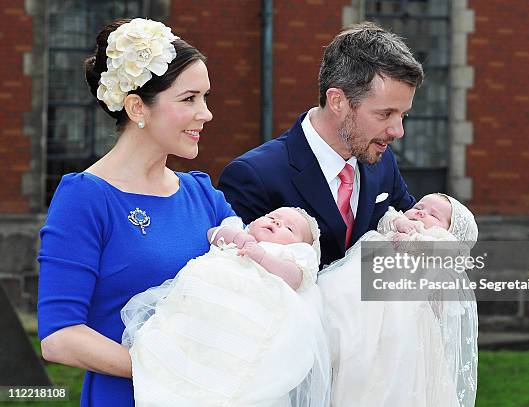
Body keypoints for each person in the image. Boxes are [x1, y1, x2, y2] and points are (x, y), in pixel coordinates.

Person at [37, 18, 235, 406]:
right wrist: (165, 368)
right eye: (189, 99)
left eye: (206, 97)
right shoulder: (86, 198)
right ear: (136, 107)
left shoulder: (203, 194)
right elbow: (59, 337)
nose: (206, 113)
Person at [218, 22, 424, 268]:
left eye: (403, 115)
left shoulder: (384, 160)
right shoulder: (252, 176)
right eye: (385, 114)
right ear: (337, 101)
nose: (398, 131)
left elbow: (418, 240)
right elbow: (236, 283)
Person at [121, 207, 330, 406]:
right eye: (272, 216)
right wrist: (236, 237)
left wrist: (262, 256)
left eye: (289, 228)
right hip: (203, 311)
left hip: (248, 321)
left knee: (234, 370)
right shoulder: (239, 233)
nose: (276, 222)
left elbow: (294, 278)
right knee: (182, 355)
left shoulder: (288, 254)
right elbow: (212, 233)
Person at [318, 193, 479, 406]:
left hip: (398, 312)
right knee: (336, 302)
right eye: (420, 206)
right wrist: (400, 222)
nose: (421, 212)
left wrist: (412, 239)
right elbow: (387, 219)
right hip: (355, 287)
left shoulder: (439, 241)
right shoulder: (398, 221)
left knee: (384, 366)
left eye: (434, 215)